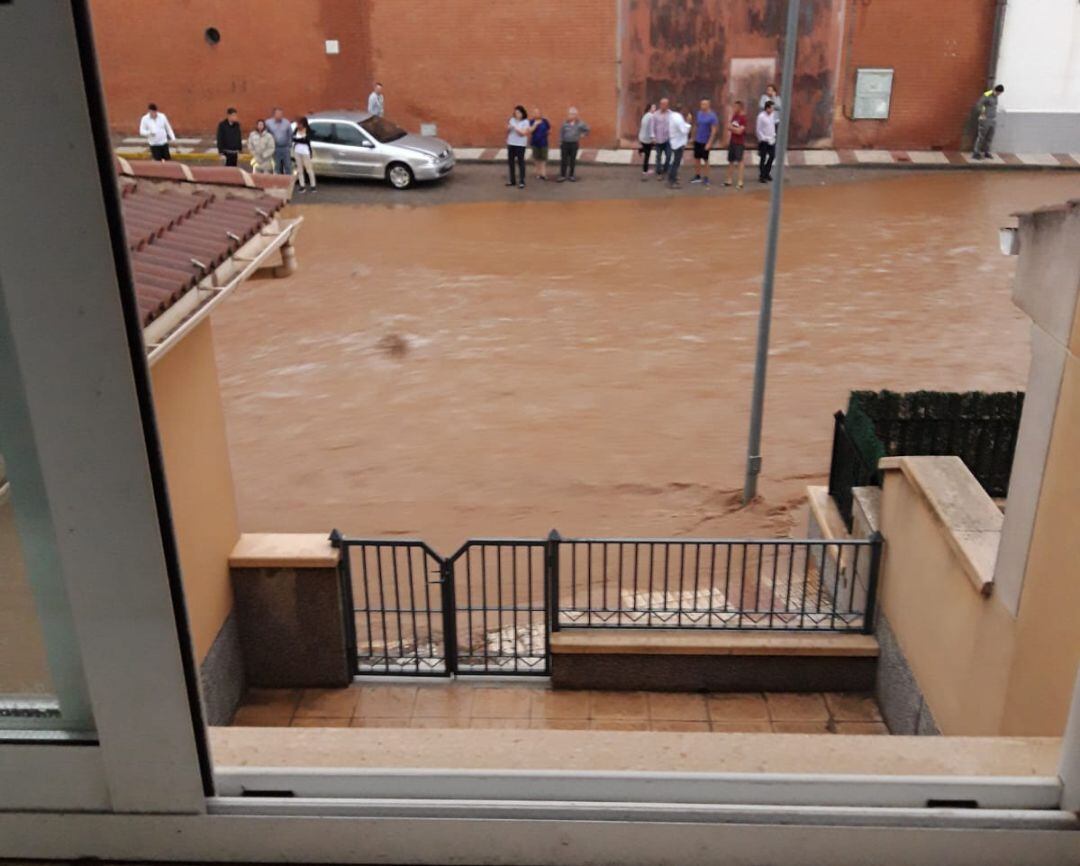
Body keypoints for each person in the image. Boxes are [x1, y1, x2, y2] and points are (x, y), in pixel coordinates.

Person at [557, 107, 590, 183]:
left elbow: (587, 129)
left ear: (576, 115)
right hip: (565, 144)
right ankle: (562, 175)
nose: (570, 115)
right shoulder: (564, 123)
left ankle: (571, 175)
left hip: (574, 144)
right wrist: (560, 142)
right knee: (563, 160)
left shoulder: (580, 123)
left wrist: (583, 134)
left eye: (572, 114)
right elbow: (561, 133)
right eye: (569, 114)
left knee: (572, 160)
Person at [690, 98, 719, 185]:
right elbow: (696, 126)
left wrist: (709, 142)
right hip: (698, 140)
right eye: (701, 104)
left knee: (705, 160)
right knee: (696, 159)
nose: (702, 106)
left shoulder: (712, 116)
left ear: (708, 105)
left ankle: (706, 177)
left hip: (705, 141)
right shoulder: (699, 114)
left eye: (704, 104)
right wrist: (692, 137)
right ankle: (697, 176)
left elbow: (714, 130)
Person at [972, 84, 1005, 160]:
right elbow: (979, 104)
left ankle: (986, 152)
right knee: (981, 137)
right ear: (995, 90)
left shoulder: (996, 97)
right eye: (999, 93)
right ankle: (976, 152)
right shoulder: (987, 95)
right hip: (985, 119)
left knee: (989, 137)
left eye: (1000, 94)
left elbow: (993, 106)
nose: (999, 95)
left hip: (992, 119)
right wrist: (982, 113)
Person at [723, 100, 748, 189]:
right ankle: (729, 179)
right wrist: (733, 129)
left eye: (736, 107)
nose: (734, 109)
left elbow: (739, 131)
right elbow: (728, 126)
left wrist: (732, 128)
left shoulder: (743, 118)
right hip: (732, 141)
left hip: (739, 143)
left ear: (740, 108)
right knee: (731, 161)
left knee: (740, 161)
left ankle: (740, 181)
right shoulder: (734, 116)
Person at [666, 106, 691, 189]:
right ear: (682, 110)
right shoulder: (678, 118)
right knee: (676, 163)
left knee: (674, 162)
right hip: (678, 144)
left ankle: (672, 177)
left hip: (674, 142)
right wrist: (688, 122)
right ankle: (672, 181)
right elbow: (684, 130)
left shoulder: (672, 116)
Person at [506, 104, 530, 188]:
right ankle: (512, 180)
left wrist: (515, 127)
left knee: (521, 163)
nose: (517, 114)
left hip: (520, 145)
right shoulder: (512, 120)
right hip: (511, 143)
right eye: (515, 112)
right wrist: (508, 128)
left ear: (522, 113)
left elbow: (522, 133)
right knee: (511, 163)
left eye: (519, 112)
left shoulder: (526, 122)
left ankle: (522, 181)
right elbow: (507, 131)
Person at [756, 99, 778, 183]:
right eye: (771, 108)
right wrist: (762, 138)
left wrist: (773, 136)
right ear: (767, 108)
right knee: (763, 158)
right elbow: (758, 129)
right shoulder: (761, 116)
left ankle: (767, 172)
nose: (773, 110)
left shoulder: (772, 115)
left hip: (771, 139)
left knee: (772, 156)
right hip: (764, 140)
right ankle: (762, 175)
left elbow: (772, 125)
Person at [265, 107, 293, 175]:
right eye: (278, 114)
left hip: (285, 148)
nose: (280, 115)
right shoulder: (268, 123)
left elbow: (290, 134)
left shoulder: (286, 122)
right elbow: (265, 134)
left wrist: (289, 145)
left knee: (288, 166)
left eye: (281, 114)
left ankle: (288, 181)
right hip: (275, 148)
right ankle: (277, 181)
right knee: (276, 166)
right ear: (274, 114)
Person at [292, 116, 316, 193]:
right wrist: (300, 140)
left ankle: (313, 185)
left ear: (303, 124)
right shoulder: (296, 130)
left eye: (299, 124)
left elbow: (306, 140)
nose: (298, 126)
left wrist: (298, 139)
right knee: (299, 169)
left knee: (309, 169)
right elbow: (293, 138)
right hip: (297, 151)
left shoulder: (308, 130)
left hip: (305, 152)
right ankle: (302, 186)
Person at [529, 107, 551, 180]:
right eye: (535, 113)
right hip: (535, 143)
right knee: (536, 159)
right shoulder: (531, 121)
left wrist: (546, 133)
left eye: (538, 113)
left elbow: (549, 129)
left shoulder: (545, 121)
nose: (536, 114)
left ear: (541, 113)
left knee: (543, 159)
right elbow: (530, 131)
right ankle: (538, 173)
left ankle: (543, 174)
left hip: (544, 143)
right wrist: (535, 124)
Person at [652, 97, 672, 179]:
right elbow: (652, 127)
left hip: (668, 139)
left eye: (665, 104)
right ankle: (659, 172)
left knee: (669, 155)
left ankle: (665, 170)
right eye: (662, 104)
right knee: (658, 156)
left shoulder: (671, 114)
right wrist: (653, 137)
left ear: (668, 105)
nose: (664, 106)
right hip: (658, 139)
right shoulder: (655, 115)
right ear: (660, 105)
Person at [638, 103, 656, 179]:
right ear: (650, 108)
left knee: (648, 149)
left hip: (642, 137)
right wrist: (653, 138)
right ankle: (645, 171)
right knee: (647, 155)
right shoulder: (651, 117)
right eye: (653, 107)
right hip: (646, 139)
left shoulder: (645, 115)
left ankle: (641, 150)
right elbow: (651, 129)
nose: (655, 108)